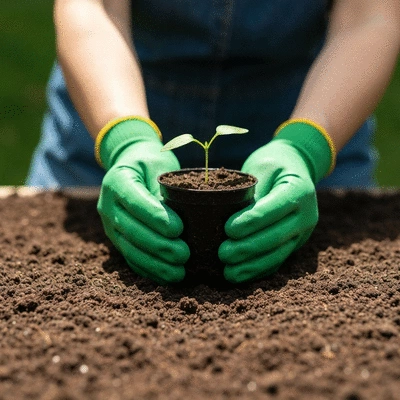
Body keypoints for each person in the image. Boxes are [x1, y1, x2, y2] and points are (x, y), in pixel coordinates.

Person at [27, 0, 400, 284]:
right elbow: (94, 8)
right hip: (106, 109)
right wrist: (125, 139)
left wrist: (305, 146)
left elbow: (368, 17)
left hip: (321, 108)